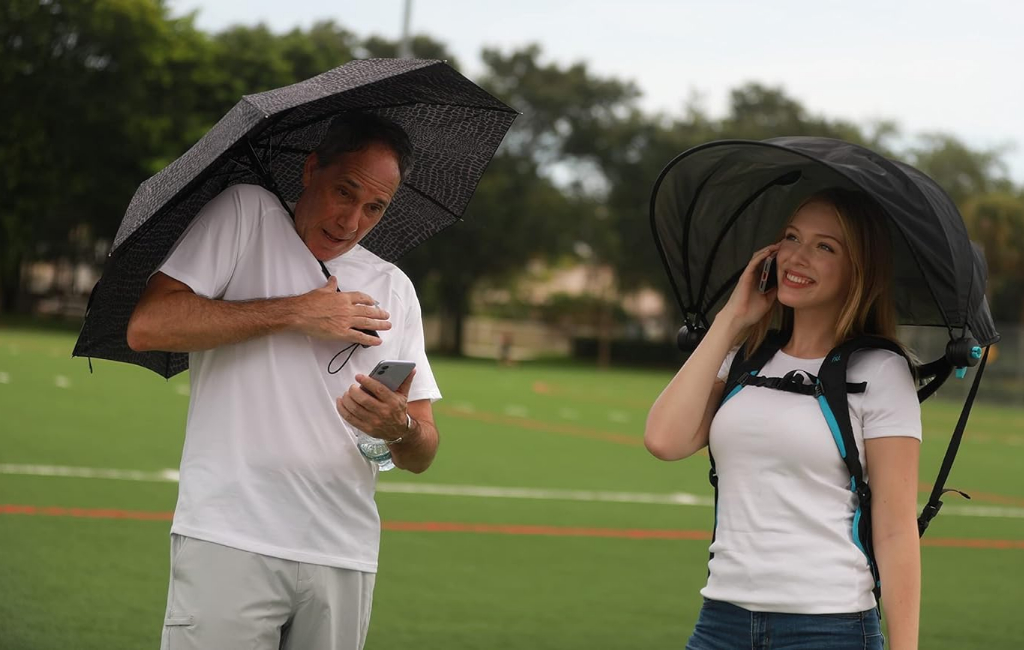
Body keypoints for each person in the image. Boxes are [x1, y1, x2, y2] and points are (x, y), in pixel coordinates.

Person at [127, 112, 442, 650]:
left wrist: (398, 428)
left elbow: (421, 450)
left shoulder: (395, 288)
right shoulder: (247, 214)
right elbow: (148, 326)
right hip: (231, 535)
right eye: (345, 192)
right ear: (311, 169)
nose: (352, 221)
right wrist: (298, 311)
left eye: (375, 207)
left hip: (344, 550)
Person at [644, 188, 921, 650]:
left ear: (858, 269)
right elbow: (663, 439)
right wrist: (733, 317)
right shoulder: (745, 360)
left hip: (829, 627)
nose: (798, 256)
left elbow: (895, 530)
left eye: (825, 246)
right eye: (792, 237)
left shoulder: (880, 372)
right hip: (721, 621)